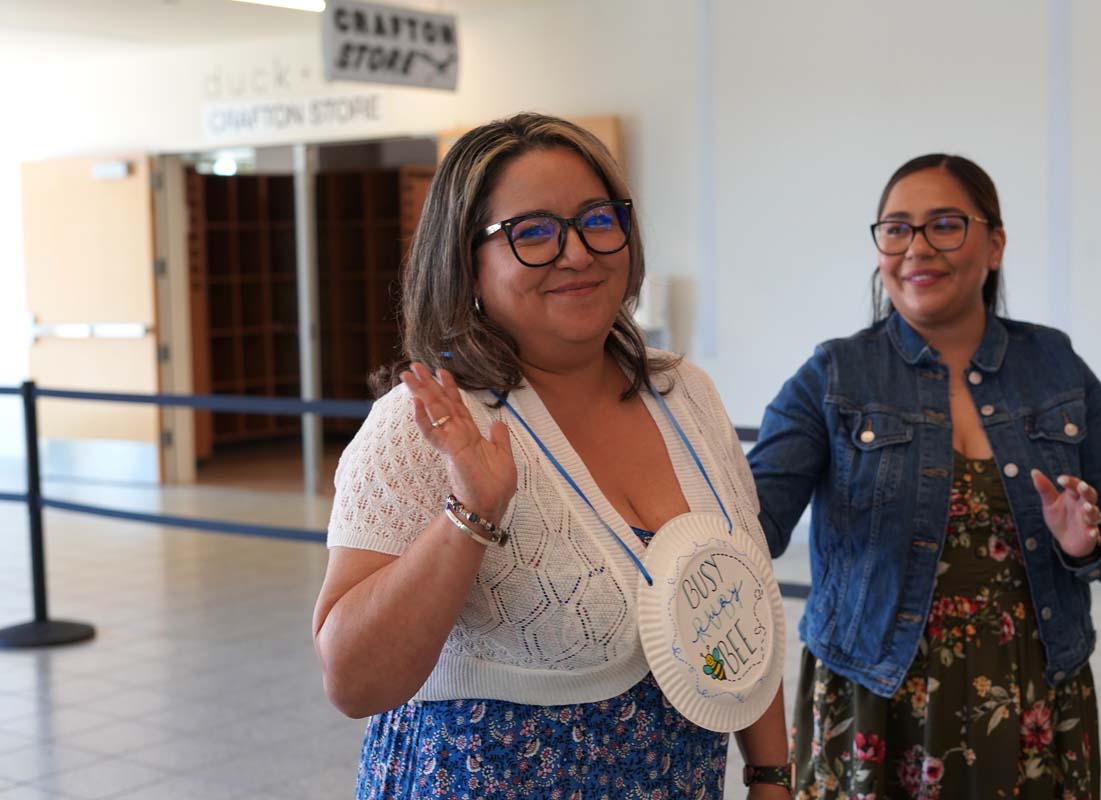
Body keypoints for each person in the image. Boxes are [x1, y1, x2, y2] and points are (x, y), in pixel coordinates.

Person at [312, 113, 790, 799]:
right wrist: (469, 516)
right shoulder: (424, 426)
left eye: (597, 219)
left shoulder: (683, 394)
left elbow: (742, 594)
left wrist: (772, 776)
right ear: (466, 263)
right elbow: (352, 681)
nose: (577, 252)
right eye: (531, 233)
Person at [748, 153, 1101, 799]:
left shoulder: (1054, 364)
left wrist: (1090, 543)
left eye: (944, 225)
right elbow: (753, 523)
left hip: (1029, 688)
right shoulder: (835, 375)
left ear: (993, 244)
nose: (917, 248)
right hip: (875, 689)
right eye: (896, 228)